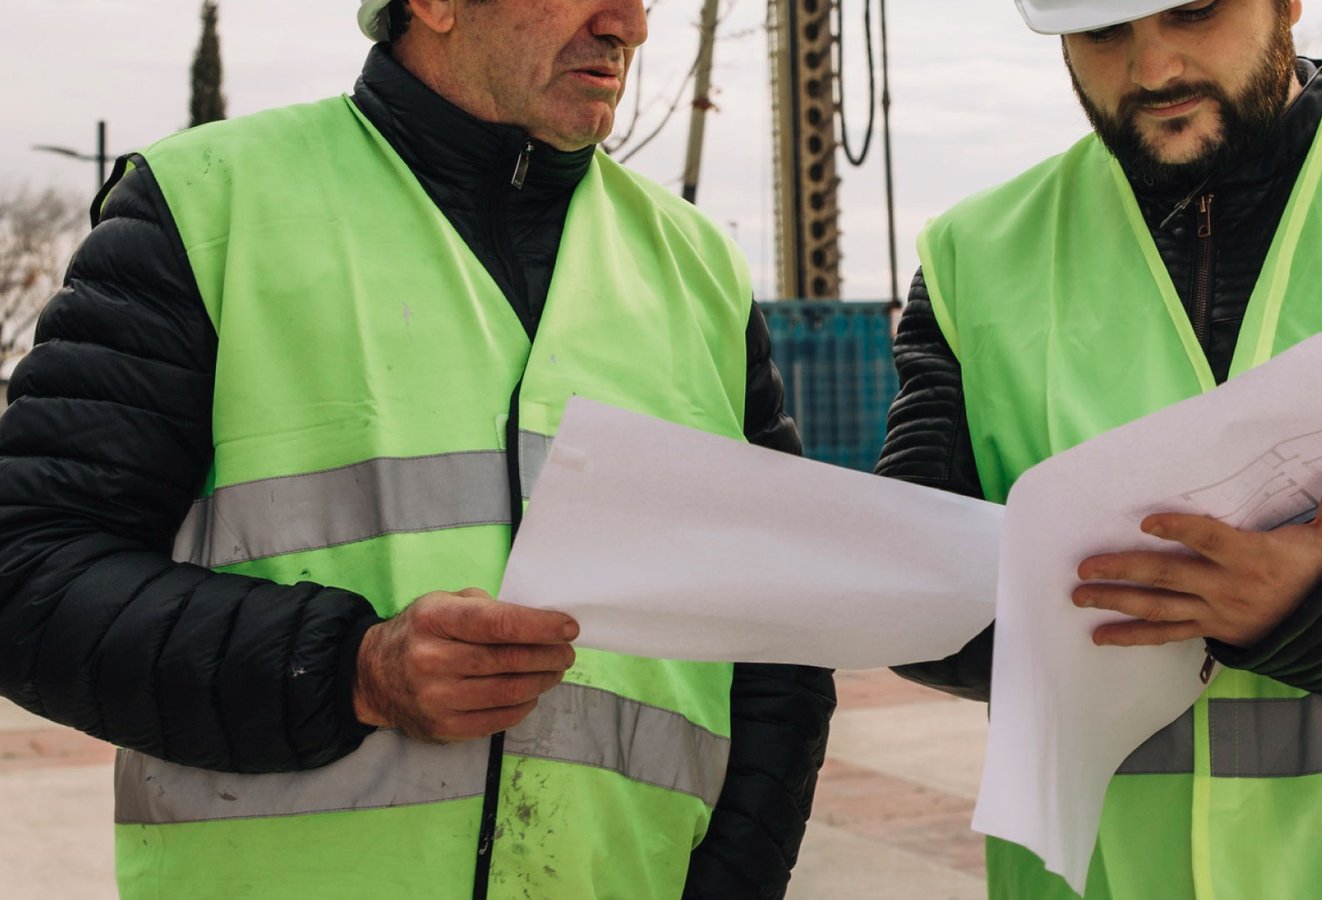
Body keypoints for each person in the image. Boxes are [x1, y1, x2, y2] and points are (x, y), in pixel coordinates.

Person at [0, 1, 834, 897]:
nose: (627, 23)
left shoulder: (698, 267)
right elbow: (28, 573)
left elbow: (779, 627)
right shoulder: (208, 205)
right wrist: (351, 672)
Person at [877, 0, 1322, 897]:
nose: (1152, 68)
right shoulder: (976, 259)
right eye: (1104, 32)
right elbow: (913, 603)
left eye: (1193, 11)